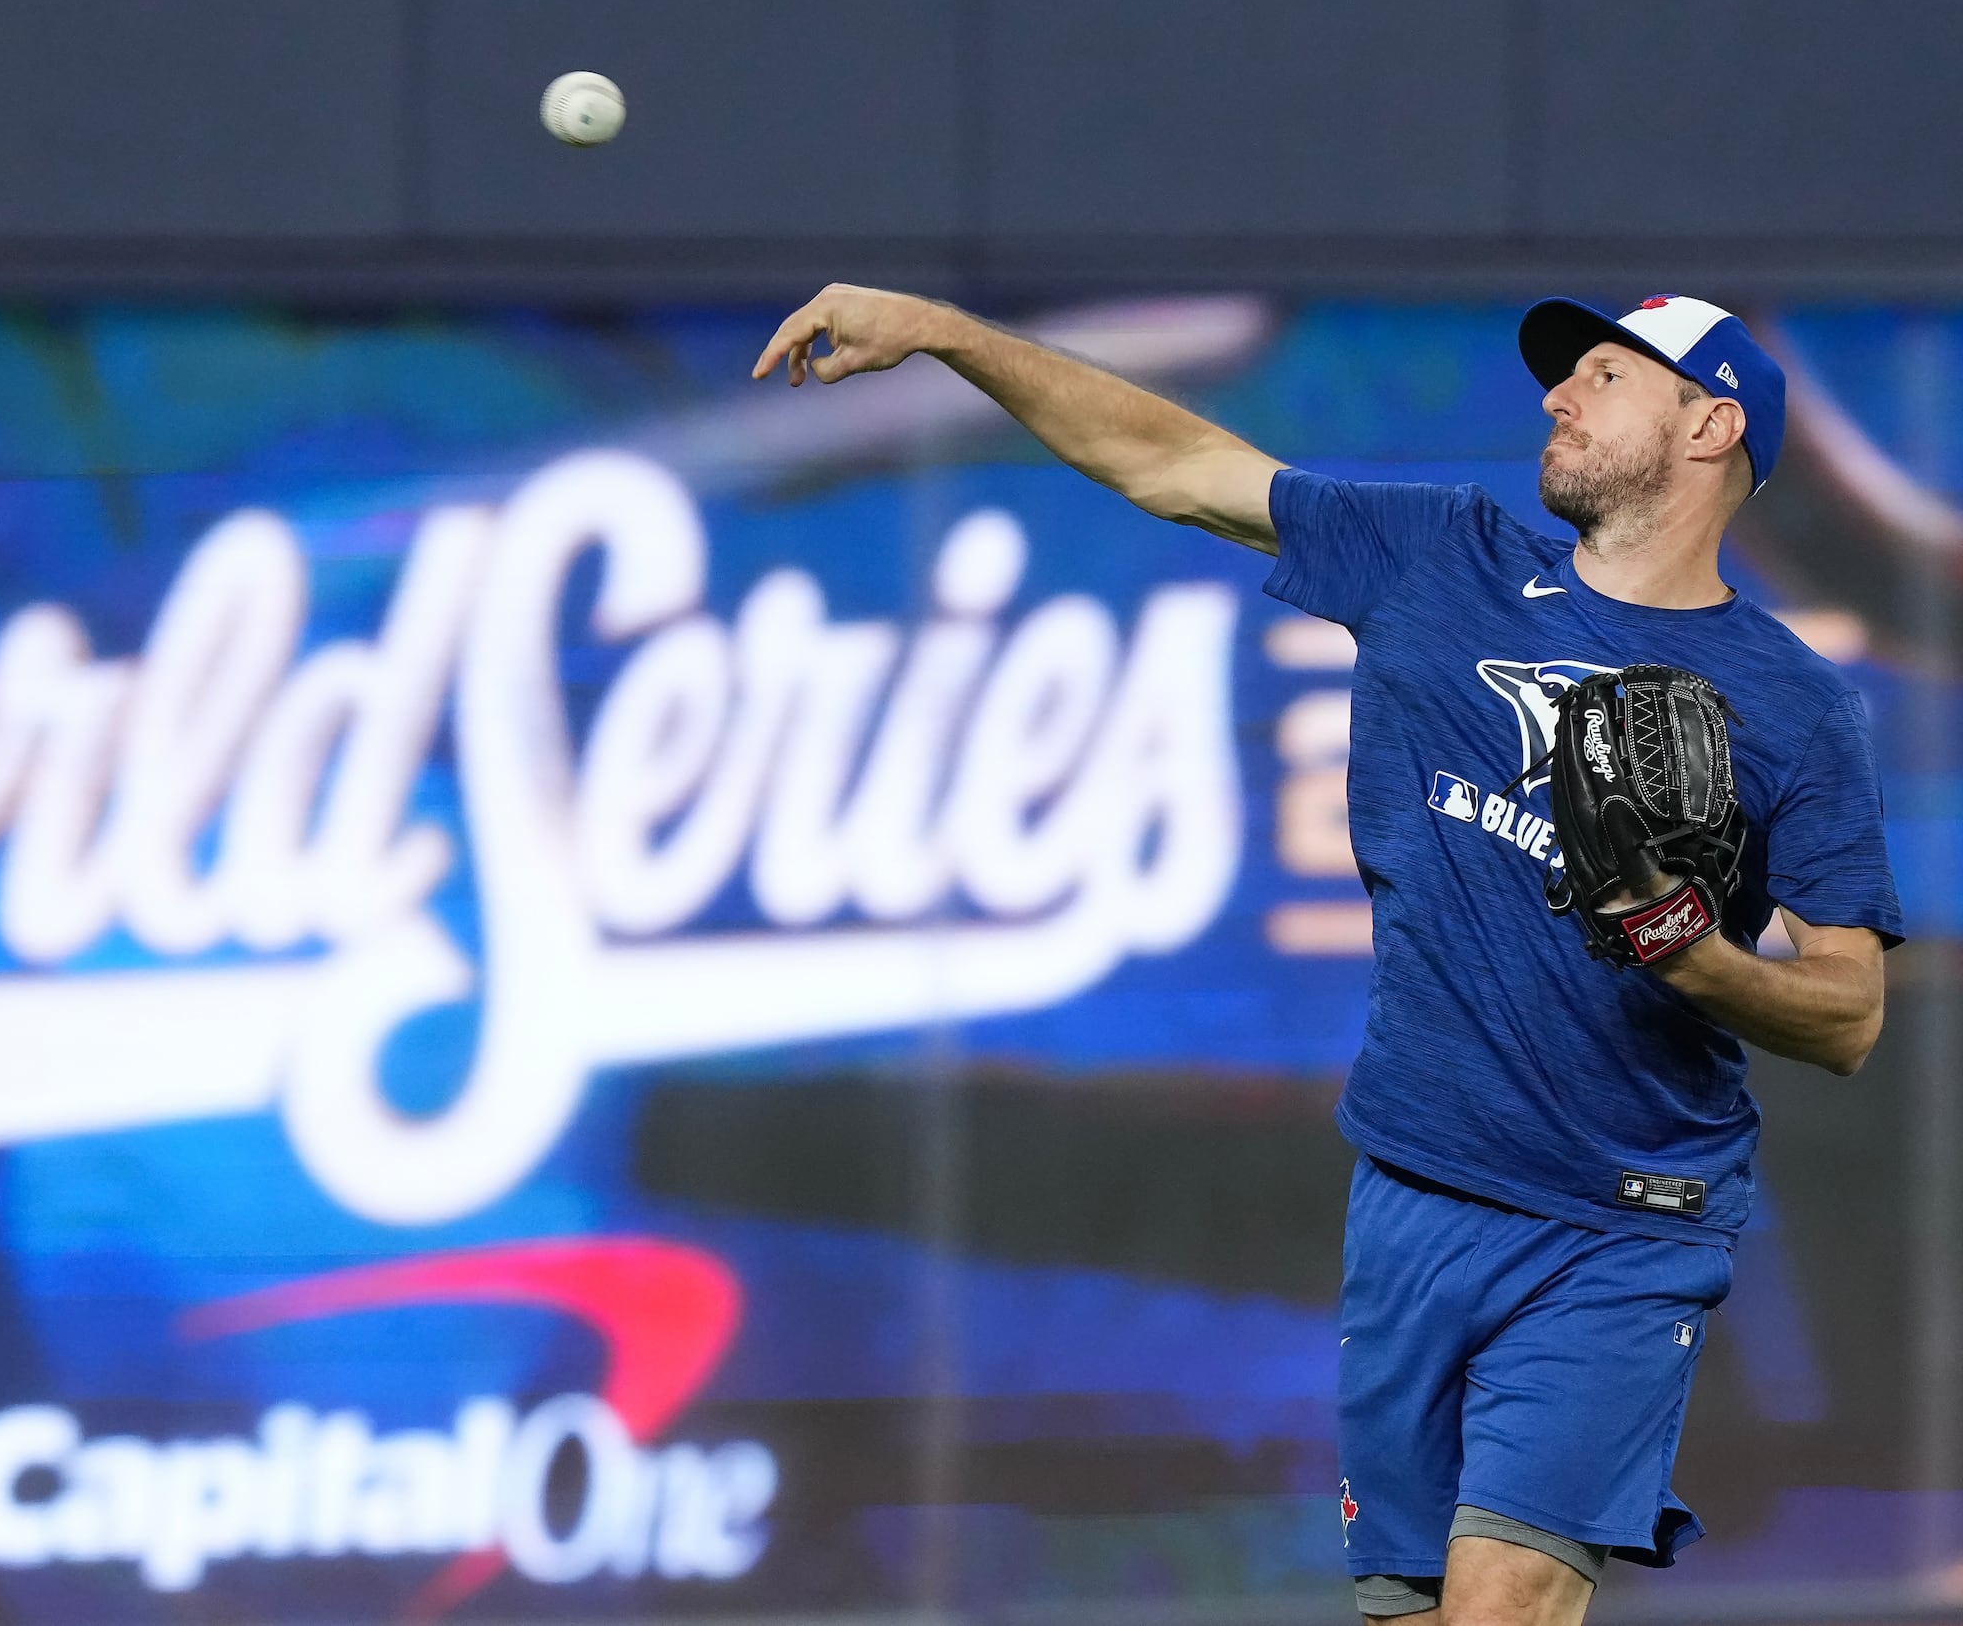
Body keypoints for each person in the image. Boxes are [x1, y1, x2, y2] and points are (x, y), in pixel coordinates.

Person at [753, 288, 1904, 1626]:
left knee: (1502, 1608)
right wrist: (949, 333)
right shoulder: (1442, 556)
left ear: (1711, 425)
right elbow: (1173, 463)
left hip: (1618, 1223)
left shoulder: (1793, 705)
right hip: (1413, 1194)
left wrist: (1689, 955)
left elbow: (1848, 1013)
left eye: (1607, 375)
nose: (1558, 395)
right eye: (1567, 373)